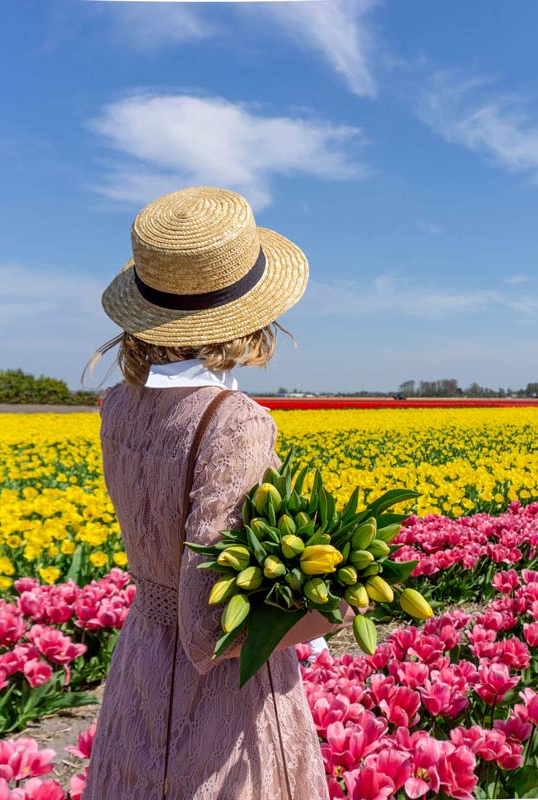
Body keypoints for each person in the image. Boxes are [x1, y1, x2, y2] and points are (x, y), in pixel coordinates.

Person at [82, 187, 343, 800]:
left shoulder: (119, 403)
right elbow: (209, 625)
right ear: (254, 315)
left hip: (142, 660)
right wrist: (330, 605)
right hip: (222, 698)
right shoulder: (236, 422)